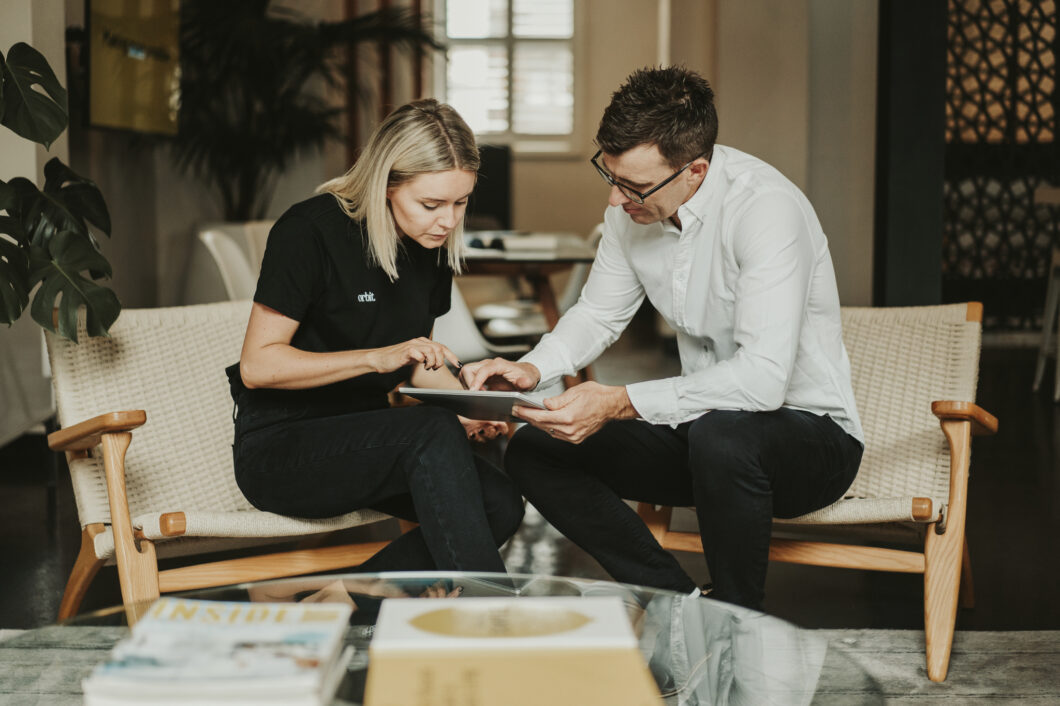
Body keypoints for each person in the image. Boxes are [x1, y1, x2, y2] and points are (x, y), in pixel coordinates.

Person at [461, 67, 864, 610]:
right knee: (536, 450)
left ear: (695, 170)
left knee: (724, 436)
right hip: (704, 434)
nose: (614, 201)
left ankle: (737, 625)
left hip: (812, 443)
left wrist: (620, 402)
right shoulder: (634, 208)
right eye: (609, 175)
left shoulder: (765, 210)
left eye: (632, 186)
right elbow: (599, 314)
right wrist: (532, 368)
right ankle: (679, 602)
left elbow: (764, 383)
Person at [226, 98, 523, 575]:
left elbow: (415, 363)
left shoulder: (432, 246)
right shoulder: (309, 232)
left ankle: (350, 594)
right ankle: (486, 621)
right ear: (386, 184)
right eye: (431, 204)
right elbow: (257, 367)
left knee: (501, 503)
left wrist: (472, 406)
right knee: (430, 431)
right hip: (283, 449)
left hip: (374, 441)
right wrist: (374, 358)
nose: (447, 222)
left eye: (460, 202)